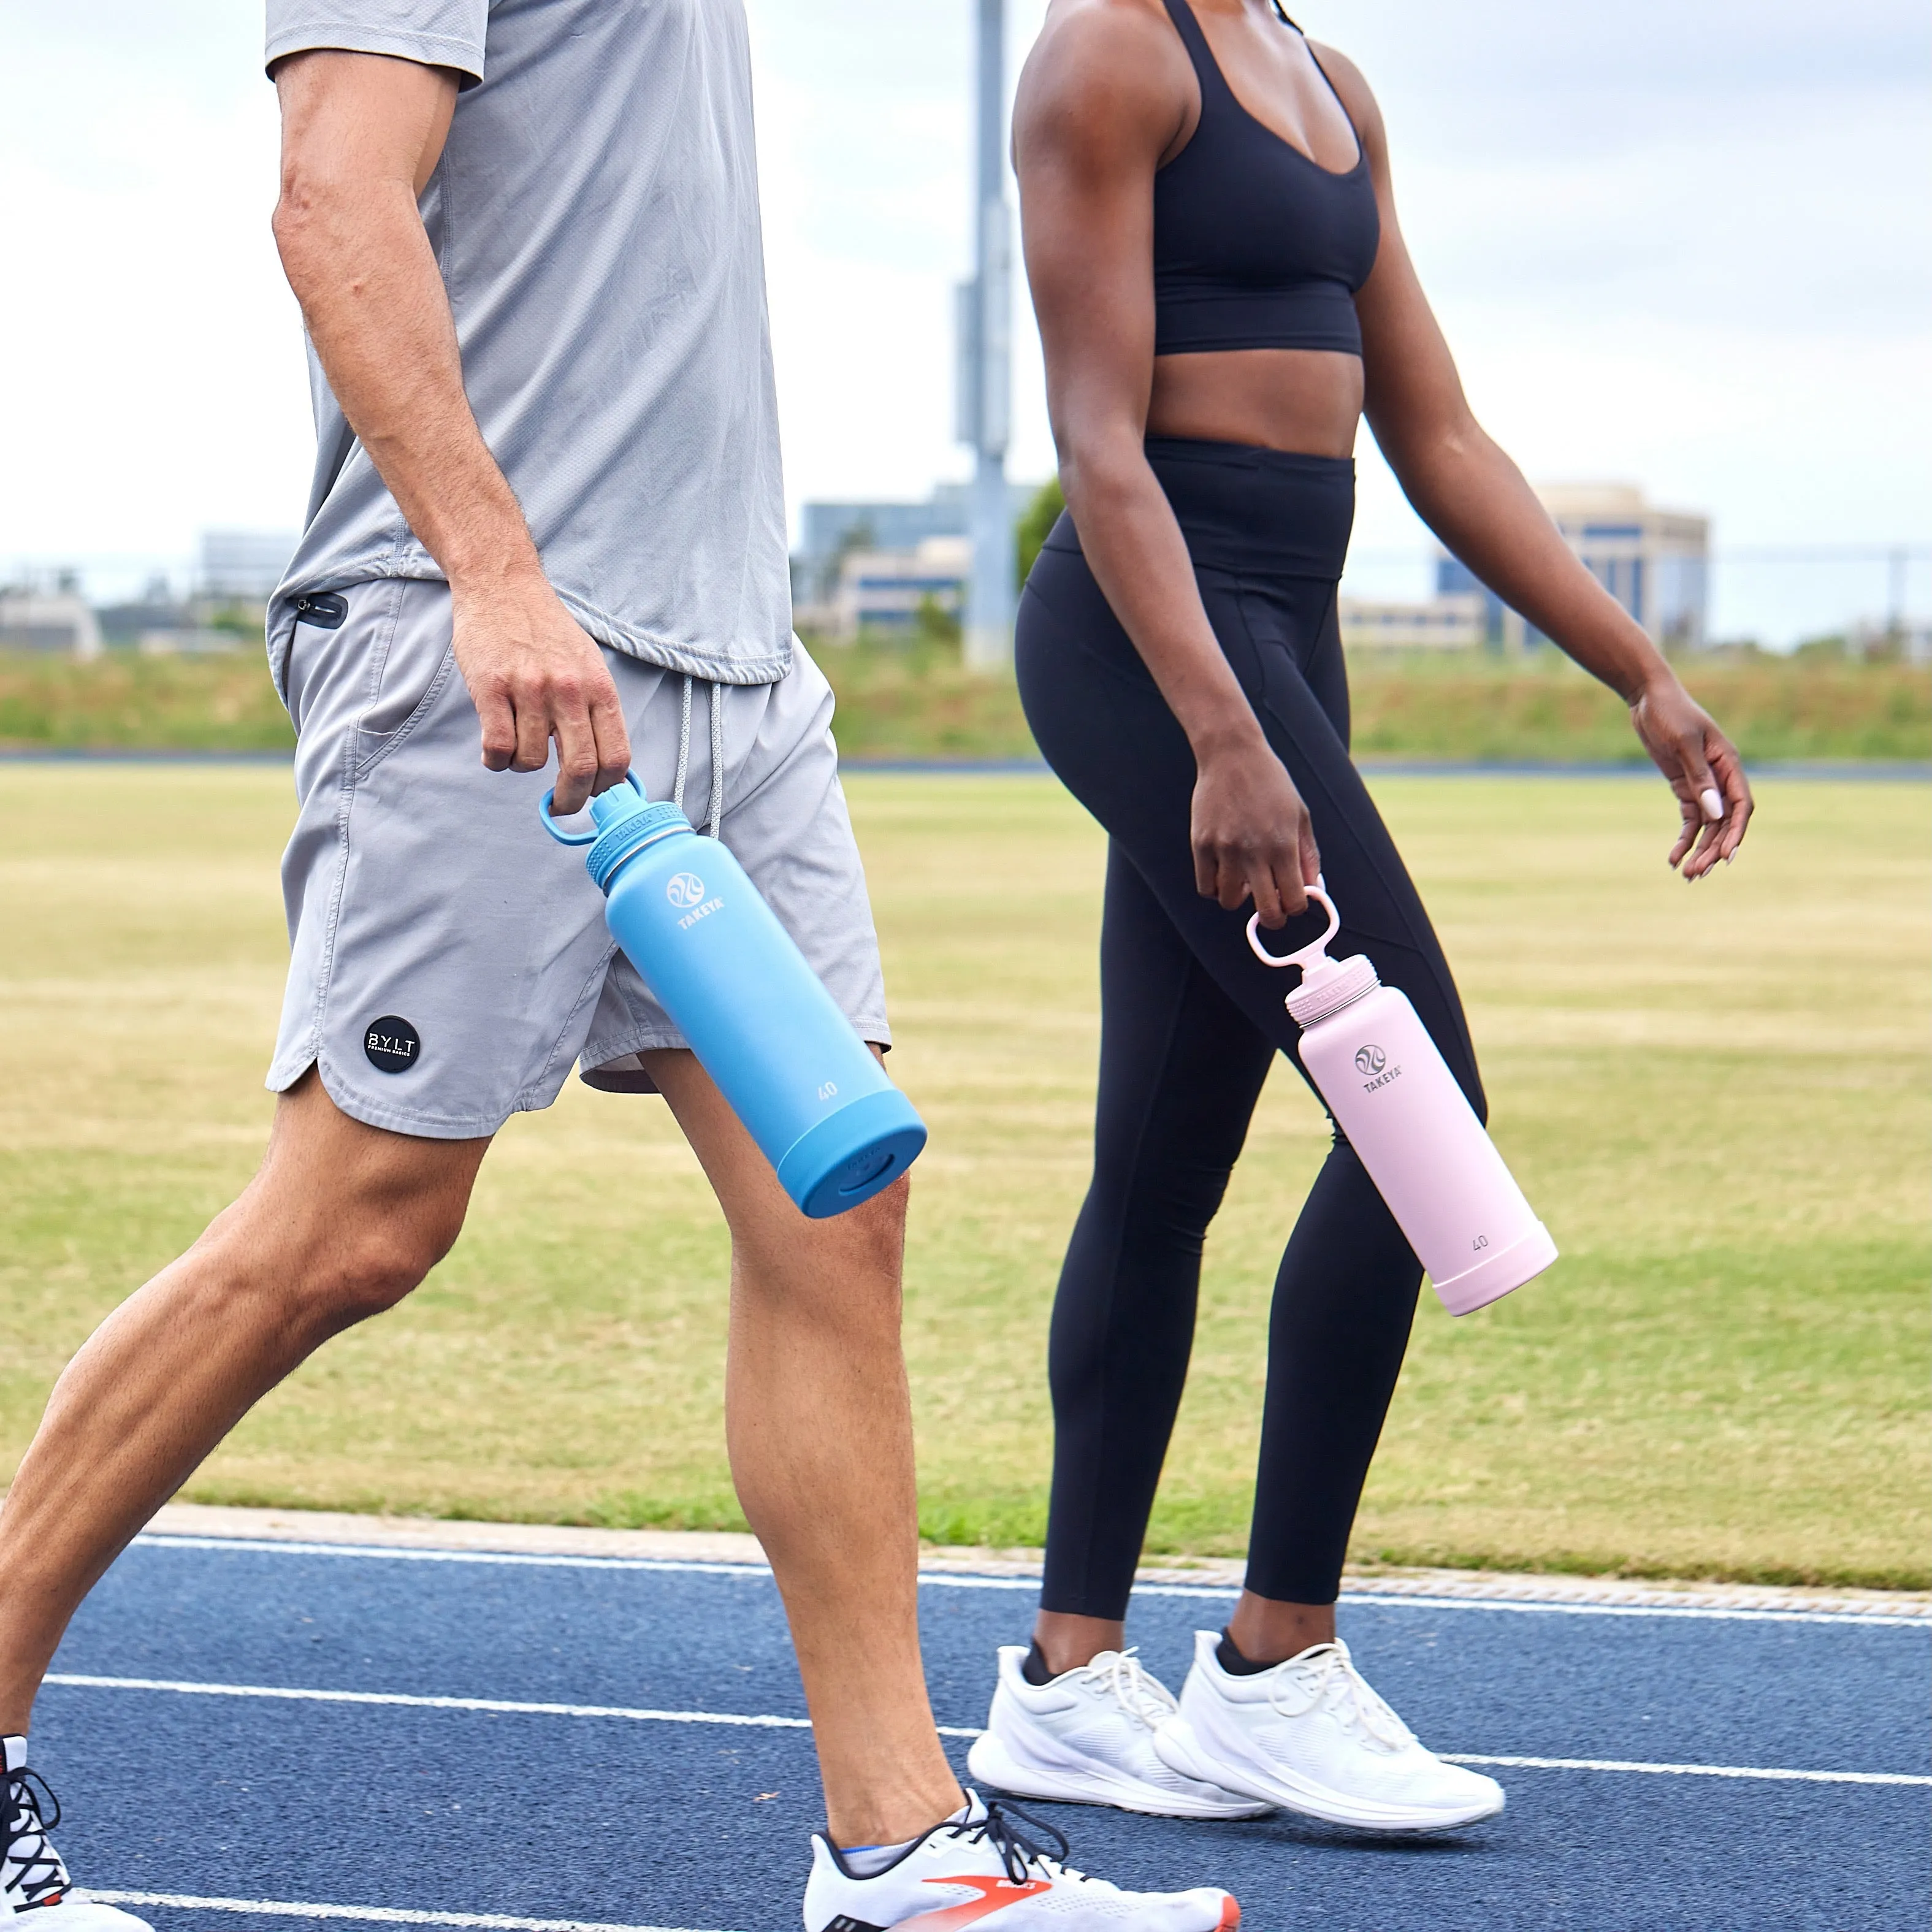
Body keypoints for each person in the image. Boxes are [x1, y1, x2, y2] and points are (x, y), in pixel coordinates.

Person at [0, 7, 1245, 1929]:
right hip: (485, 636)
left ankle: (903, 1842)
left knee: (838, 1202)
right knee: (358, 1215)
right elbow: (332, 195)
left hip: (732, 669)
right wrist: (498, 575)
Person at [965, 0, 1753, 1835]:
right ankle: (1270, 1664)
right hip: (1149, 633)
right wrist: (1225, 736)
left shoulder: (1332, 89)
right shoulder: (1107, 55)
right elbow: (1099, 442)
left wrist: (1635, 671)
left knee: (1163, 1164)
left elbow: (1439, 431)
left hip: (1272, 623)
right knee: (1418, 1102)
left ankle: (1069, 1683)